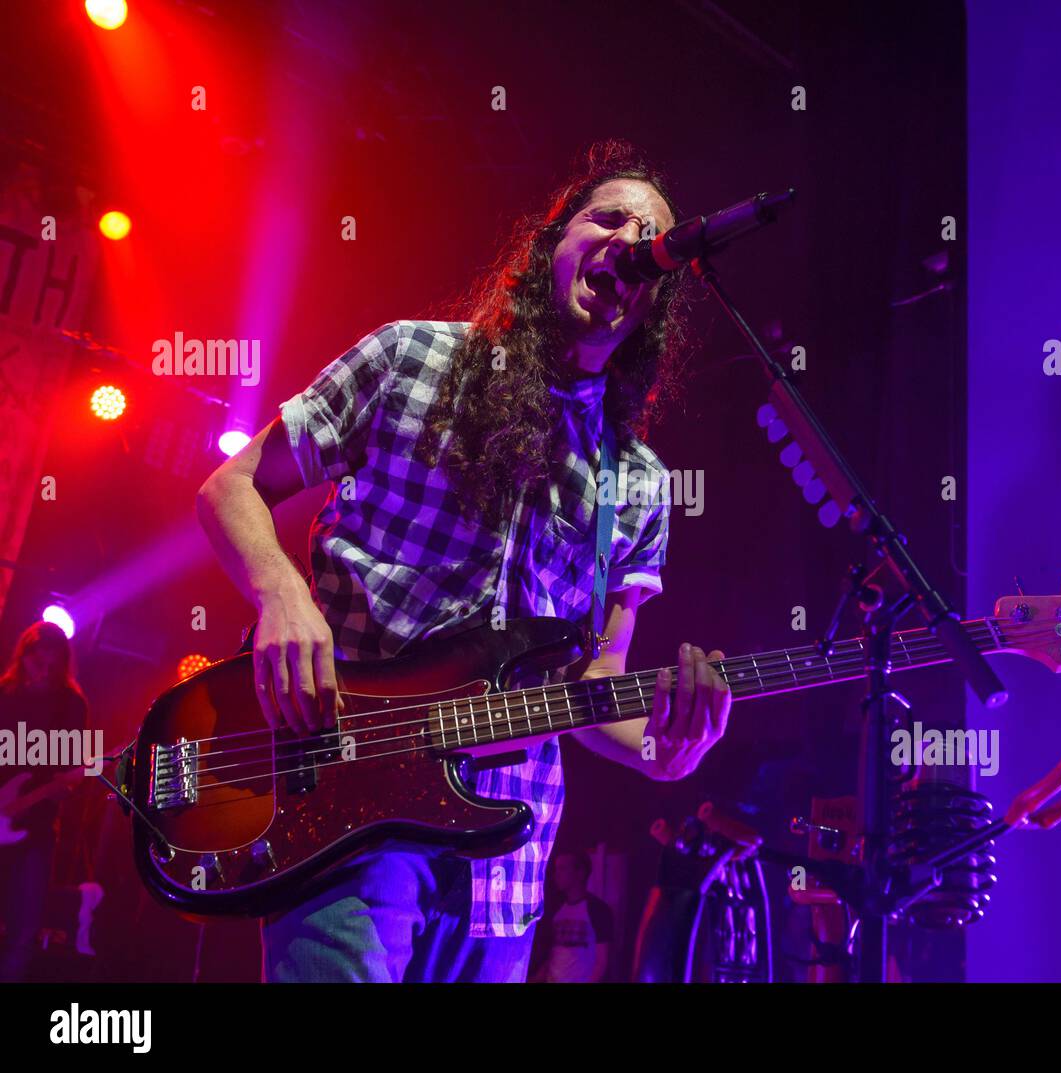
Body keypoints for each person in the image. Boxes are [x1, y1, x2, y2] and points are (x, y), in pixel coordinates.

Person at [196, 140, 733, 983]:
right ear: (550, 243)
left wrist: (667, 748)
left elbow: (596, 690)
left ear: (655, 302)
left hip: (503, 871)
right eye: (608, 217)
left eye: (652, 234)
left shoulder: (637, 482)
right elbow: (231, 488)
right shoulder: (411, 359)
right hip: (349, 811)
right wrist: (280, 596)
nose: (630, 237)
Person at [0, 621, 89, 981]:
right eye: (37, 657)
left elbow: (72, 769)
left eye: (52, 660)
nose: (43, 666)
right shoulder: (5, 694)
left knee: (24, 929)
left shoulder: (71, 704)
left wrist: (67, 783)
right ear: (24, 655)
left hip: (36, 828)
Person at [532, 849, 615, 983]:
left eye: (563, 869)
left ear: (580, 873)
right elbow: (554, 953)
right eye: (556, 869)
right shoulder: (555, 909)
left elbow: (602, 960)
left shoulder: (597, 909)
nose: (556, 874)